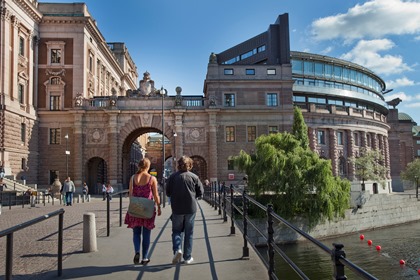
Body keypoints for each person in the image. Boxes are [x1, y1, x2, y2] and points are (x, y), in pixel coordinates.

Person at [166, 156, 204, 265]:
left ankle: (177, 249)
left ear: (178, 165)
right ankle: (187, 257)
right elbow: (200, 193)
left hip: (177, 208)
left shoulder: (172, 177)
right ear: (190, 165)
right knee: (189, 232)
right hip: (190, 208)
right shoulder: (194, 177)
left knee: (176, 231)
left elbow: (168, 192)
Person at [124, 158, 161, 265]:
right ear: (148, 167)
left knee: (136, 233)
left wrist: (134, 205)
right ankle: (145, 257)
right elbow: (156, 195)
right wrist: (158, 206)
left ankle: (137, 251)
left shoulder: (132, 178)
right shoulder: (151, 178)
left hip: (136, 207)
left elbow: (130, 194)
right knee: (146, 234)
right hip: (147, 208)